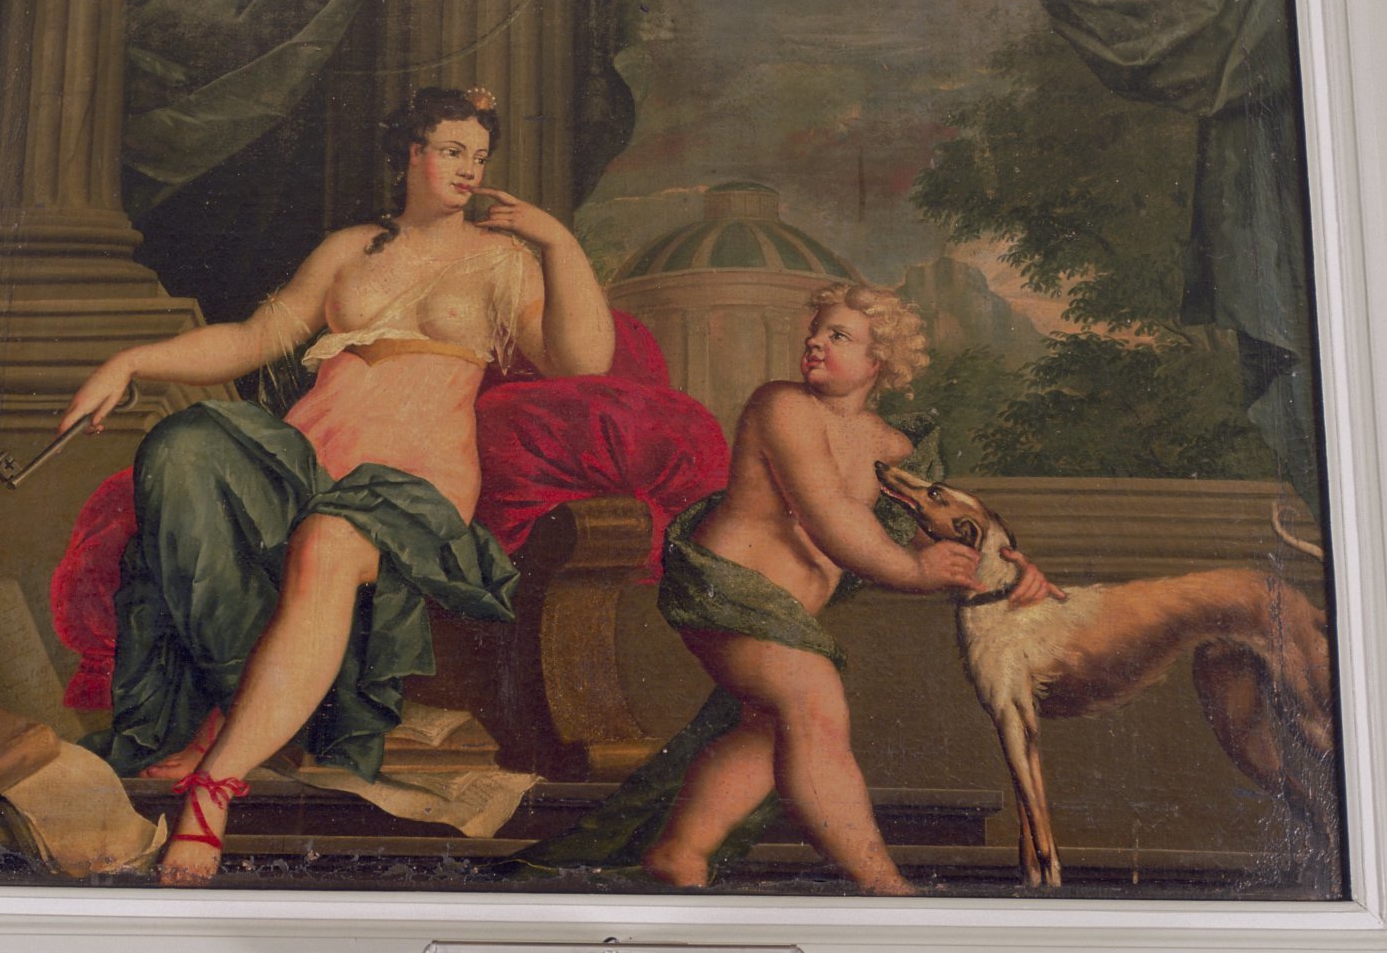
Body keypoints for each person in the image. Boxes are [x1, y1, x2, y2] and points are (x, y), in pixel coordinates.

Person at [58, 86, 614, 886]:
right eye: (451, 151)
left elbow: (585, 361)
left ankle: (213, 789)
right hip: (307, 461)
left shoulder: (504, 259)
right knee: (187, 446)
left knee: (326, 542)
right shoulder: (351, 248)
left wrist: (557, 242)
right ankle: (229, 709)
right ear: (411, 155)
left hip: (414, 481)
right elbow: (254, 338)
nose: (468, 169)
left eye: (479, 156)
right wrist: (129, 361)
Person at [635, 283, 1060, 895]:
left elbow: (935, 528)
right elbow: (829, 515)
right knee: (814, 704)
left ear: (877, 361)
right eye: (815, 331)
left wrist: (1009, 569)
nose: (815, 342)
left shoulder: (892, 447)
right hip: (726, 593)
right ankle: (882, 884)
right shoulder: (783, 406)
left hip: (787, 617)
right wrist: (915, 572)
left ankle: (681, 852)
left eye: (838, 335)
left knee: (773, 724)